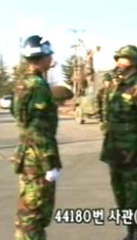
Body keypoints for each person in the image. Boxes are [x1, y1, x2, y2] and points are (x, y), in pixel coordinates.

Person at [99, 45, 137, 240]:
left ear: (134, 62)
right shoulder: (116, 86)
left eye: (123, 59)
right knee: (119, 191)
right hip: (115, 148)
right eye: (118, 59)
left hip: (134, 149)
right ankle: (129, 229)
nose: (118, 63)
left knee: (136, 193)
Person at [11, 35, 61, 240]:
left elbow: (20, 115)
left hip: (27, 154)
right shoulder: (38, 86)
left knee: (27, 209)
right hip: (38, 157)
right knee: (35, 213)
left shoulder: (23, 82)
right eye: (49, 55)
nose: (51, 58)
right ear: (42, 57)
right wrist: (50, 163)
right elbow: (40, 129)